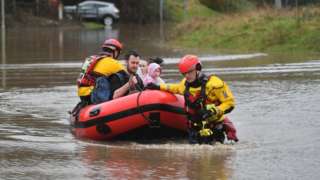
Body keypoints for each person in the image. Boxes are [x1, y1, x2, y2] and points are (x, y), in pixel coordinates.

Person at [145, 55, 238, 144]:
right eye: (184, 73)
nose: (187, 76)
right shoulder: (185, 84)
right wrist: (157, 87)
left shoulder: (214, 84)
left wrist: (214, 111)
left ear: (198, 68)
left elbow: (229, 103)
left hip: (214, 126)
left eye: (189, 72)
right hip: (194, 128)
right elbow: (175, 88)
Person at [77, 38, 127, 105]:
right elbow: (128, 76)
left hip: (82, 96)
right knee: (120, 76)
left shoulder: (90, 59)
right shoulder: (113, 62)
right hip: (94, 96)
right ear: (115, 52)